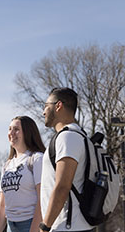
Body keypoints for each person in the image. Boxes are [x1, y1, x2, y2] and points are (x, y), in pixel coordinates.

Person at [39, 87, 95, 232]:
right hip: (71, 226)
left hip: (67, 227)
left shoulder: (67, 137)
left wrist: (45, 226)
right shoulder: (77, 136)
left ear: (58, 105)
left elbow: (62, 187)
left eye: (46, 106)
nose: (43, 112)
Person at [0, 116, 45, 232]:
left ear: (27, 133)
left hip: (30, 224)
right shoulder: (7, 165)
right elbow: (2, 205)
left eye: (16, 129)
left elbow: (42, 200)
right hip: (10, 226)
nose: (11, 133)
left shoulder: (37, 159)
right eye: (9, 129)